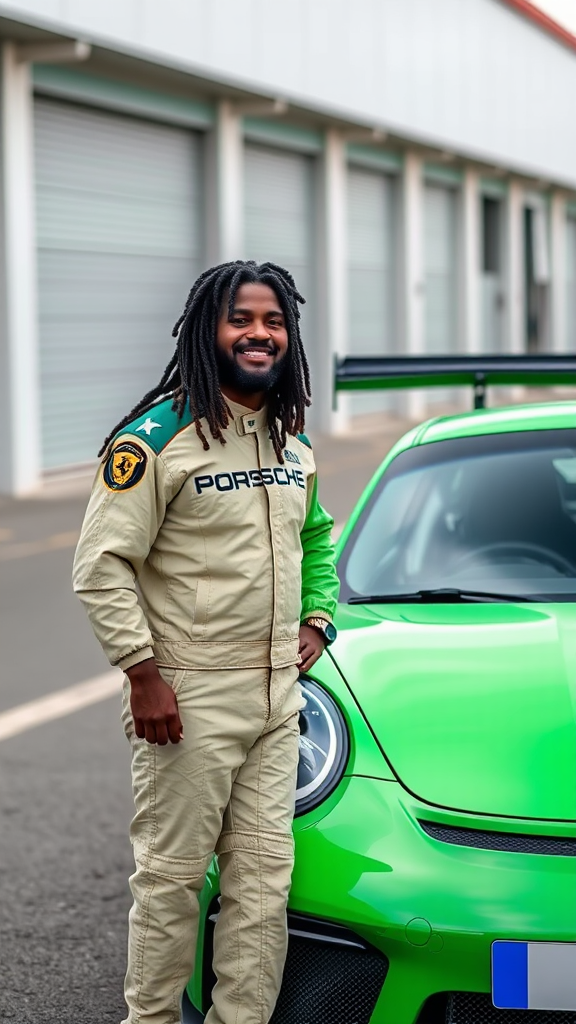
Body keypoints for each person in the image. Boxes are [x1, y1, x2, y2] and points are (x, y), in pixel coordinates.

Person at [73, 260, 340, 1024]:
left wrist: (319, 619)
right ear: (207, 330)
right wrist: (142, 674)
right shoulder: (155, 440)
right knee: (172, 880)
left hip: (276, 701)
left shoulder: (292, 443)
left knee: (262, 885)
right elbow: (101, 568)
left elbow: (317, 539)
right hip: (187, 697)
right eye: (242, 319)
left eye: (274, 321)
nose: (260, 334)